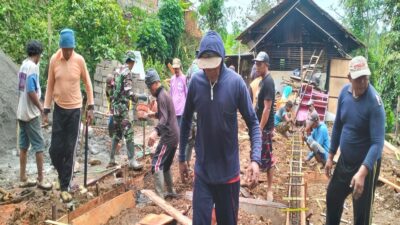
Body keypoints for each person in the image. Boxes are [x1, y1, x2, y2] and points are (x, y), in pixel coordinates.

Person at [179, 31, 262, 225]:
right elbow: (185, 121)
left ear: (222, 60)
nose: (208, 72)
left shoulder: (236, 84)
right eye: (205, 67)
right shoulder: (196, 84)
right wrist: (182, 158)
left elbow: (253, 123)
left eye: (213, 66)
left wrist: (255, 160)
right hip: (203, 174)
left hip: (228, 177)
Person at [325, 56, 385, 225]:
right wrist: (330, 156)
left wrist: (362, 173)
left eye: (366, 77)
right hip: (345, 161)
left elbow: (378, 143)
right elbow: (337, 125)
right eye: (358, 78)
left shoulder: (374, 103)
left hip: (366, 165)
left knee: (361, 215)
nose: (363, 82)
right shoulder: (344, 93)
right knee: (333, 196)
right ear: (349, 78)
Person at [43, 28, 94, 202]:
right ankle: (61, 176)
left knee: (70, 149)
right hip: (58, 109)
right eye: (66, 49)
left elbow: (88, 83)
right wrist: (46, 108)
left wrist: (91, 106)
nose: (68, 52)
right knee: (55, 149)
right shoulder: (54, 60)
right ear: (61, 48)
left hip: (75, 110)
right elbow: (49, 85)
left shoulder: (79, 60)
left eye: (71, 49)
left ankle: (65, 185)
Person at [17, 40, 52, 190]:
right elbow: (31, 90)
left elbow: (22, 88)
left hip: (21, 111)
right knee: (39, 146)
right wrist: (41, 107)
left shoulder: (23, 65)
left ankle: (23, 178)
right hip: (31, 114)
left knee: (23, 146)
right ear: (37, 54)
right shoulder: (33, 67)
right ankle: (41, 179)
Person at [145, 68, 179, 199]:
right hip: (175, 135)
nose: (149, 90)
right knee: (166, 165)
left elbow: (164, 118)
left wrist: (155, 132)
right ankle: (171, 191)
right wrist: (154, 114)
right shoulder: (164, 93)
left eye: (149, 87)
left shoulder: (161, 96)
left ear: (154, 84)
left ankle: (159, 198)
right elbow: (165, 114)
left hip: (168, 136)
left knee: (156, 163)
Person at [107, 51, 144, 170]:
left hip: (115, 108)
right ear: (131, 62)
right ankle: (132, 161)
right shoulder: (127, 72)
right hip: (122, 108)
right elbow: (128, 92)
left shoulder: (117, 70)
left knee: (117, 133)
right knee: (129, 132)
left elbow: (111, 89)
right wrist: (137, 97)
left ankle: (112, 159)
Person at [254, 51, 276, 201]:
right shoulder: (262, 80)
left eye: (259, 64)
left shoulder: (268, 82)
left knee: (268, 159)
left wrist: (260, 129)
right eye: (256, 63)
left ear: (266, 65)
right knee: (256, 154)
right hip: (260, 125)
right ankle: (254, 179)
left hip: (265, 127)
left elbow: (267, 109)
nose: (257, 66)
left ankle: (269, 189)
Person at [170, 58, 187, 127]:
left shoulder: (184, 78)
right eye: (174, 68)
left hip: (181, 110)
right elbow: (171, 94)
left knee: (180, 131)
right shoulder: (172, 79)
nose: (176, 70)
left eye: (177, 68)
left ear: (180, 67)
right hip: (174, 110)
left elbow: (187, 94)